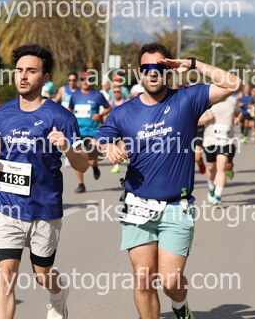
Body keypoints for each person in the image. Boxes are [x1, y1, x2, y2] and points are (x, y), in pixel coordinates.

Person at [89, 42, 242, 319]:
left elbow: (233, 84)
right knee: (143, 279)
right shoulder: (123, 112)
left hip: (176, 207)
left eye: (159, 67)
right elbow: (93, 145)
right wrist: (106, 146)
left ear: (169, 70)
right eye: (147, 67)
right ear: (139, 73)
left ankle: (180, 305)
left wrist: (193, 64)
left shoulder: (187, 99)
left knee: (170, 282)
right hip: (137, 205)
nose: (153, 72)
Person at [0, 44, 89, 319]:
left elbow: (82, 163)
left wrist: (67, 147)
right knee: (5, 274)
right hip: (6, 206)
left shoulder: (61, 117)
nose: (23, 76)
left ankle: (58, 295)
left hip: (44, 209)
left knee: (42, 274)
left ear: (45, 77)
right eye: (19, 70)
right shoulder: (1, 114)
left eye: (31, 71)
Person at [69, 72, 111, 193]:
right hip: (77, 132)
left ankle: (95, 165)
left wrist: (100, 115)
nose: (85, 82)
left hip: (91, 131)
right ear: (80, 81)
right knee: (76, 158)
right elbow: (70, 109)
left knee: (91, 158)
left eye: (89, 79)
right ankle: (81, 184)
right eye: (83, 79)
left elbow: (108, 107)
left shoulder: (97, 95)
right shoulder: (75, 95)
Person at [199, 96, 241, 205]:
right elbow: (197, 121)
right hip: (210, 139)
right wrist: (207, 118)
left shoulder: (232, 101)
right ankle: (211, 187)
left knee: (221, 167)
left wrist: (238, 119)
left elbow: (239, 113)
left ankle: (218, 195)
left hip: (226, 140)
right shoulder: (207, 101)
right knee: (211, 167)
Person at [109, 85, 127, 174]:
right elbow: (107, 114)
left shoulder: (126, 102)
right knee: (114, 145)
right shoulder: (110, 103)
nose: (116, 93)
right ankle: (116, 165)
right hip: (114, 127)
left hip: (125, 126)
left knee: (124, 144)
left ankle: (124, 155)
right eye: (115, 92)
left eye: (118, 92)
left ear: (121, 93)